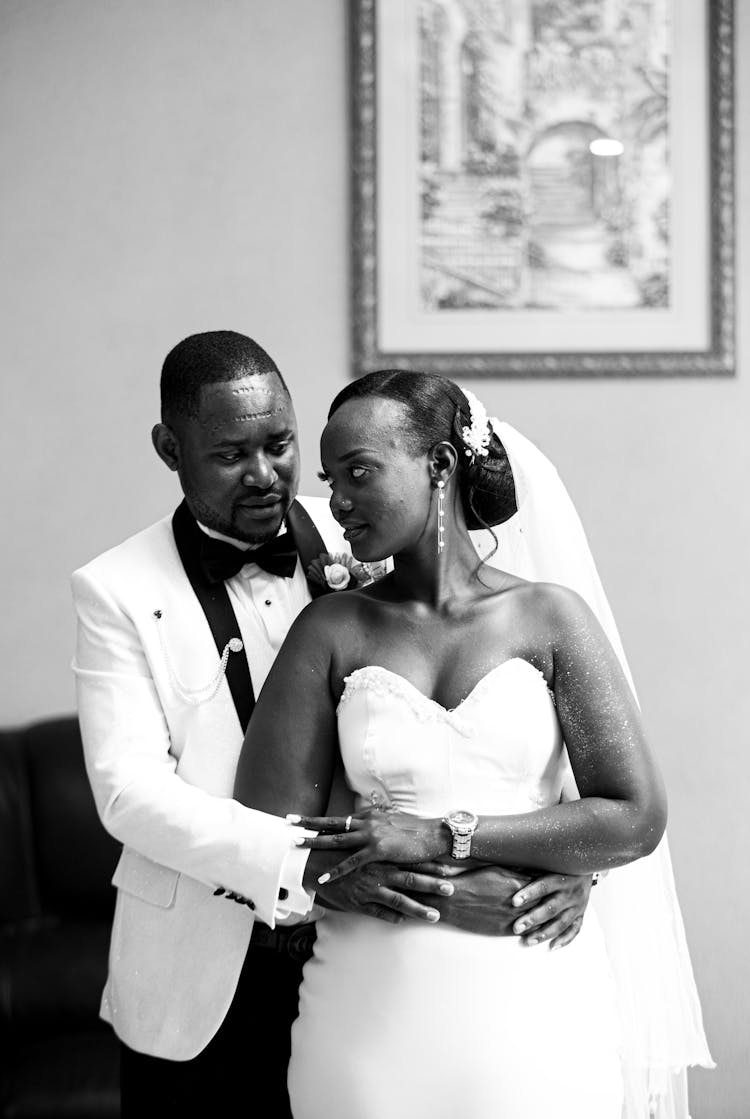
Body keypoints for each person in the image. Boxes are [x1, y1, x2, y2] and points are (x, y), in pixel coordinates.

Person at [71, 333, 593, 1118]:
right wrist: (309, 866)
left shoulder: (369, 520)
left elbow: (488, 726)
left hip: (374, 963)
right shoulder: (114, 588)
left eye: (280, 443)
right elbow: (128, 793)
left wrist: (569, 856)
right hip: (207, 969)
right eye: (230, 453)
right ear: (169, 448)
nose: (265, 473)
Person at [235, 370, 714, 1119]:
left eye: (359, 472)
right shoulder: (330, 631)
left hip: (539, 1012)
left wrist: (445, 838)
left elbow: (634, 816)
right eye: (331, 479)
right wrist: (345, 879)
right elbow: (265, 832)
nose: (339, 501)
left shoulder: (550, 617)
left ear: (440, 465)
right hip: (369, 1018)